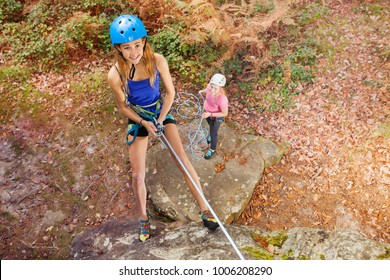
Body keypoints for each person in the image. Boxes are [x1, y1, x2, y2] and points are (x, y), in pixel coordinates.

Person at [107, 15, 219, 242]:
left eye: (137, 45)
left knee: (182, 160)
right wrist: (144, 123)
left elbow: (170, 93)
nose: (134, 52)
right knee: (138, 174)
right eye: (127, 48)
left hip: (160, 111)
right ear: (118, 49)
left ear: (145, 41)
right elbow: (123, 108)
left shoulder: (158, 61)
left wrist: (159, 119)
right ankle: (143, 218)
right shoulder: (115, 75)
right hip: (139, 118)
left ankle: (204, 209)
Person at [200, 73, 229, 159]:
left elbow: (224, 113)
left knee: (213, 133)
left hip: (216, 117)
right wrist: (202, 91)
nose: (212, 90)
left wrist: (210, 114)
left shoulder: (222, 99)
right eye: (212, 87)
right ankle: (210, 135)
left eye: (215, 88)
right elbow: (207, 89)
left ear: (221, 88)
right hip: (208, 113)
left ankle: (212, 149)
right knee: (210, 126)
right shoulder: (210, 86)